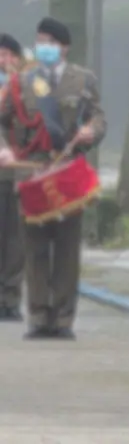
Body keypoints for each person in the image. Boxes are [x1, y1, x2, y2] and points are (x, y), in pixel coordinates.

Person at [0, 17, 106, 340]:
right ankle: (38, 316)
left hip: (67, 174)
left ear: (64, 46)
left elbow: (98, 116)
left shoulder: (83, 81)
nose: (44, 46)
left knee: (66, 248)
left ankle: (62, 318)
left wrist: (92, 132)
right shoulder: (22, 82)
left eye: (50, 41)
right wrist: (4, 149)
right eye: (40, 40)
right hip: (32, 173)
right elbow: (3, 122)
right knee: (33, 247)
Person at [0, 34, 26, 321]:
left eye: (9, 54)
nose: (4, 60)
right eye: (0, 54)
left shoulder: (31, 87)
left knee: (16, 241)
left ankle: (10, 299)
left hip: (20, 174)